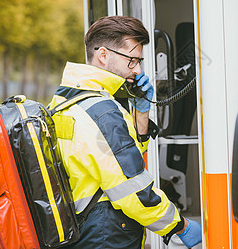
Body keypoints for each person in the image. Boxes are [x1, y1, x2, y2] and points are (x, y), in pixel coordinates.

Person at [49, 16, 202, 248]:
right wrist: (179, 225)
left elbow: (116, 161)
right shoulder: (102, 112)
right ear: (103, 54)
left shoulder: (64, 99)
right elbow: (133, 190)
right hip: (105, 234)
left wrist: (142, 113)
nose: (138, 70)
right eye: (132, 60)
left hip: (81, 231)